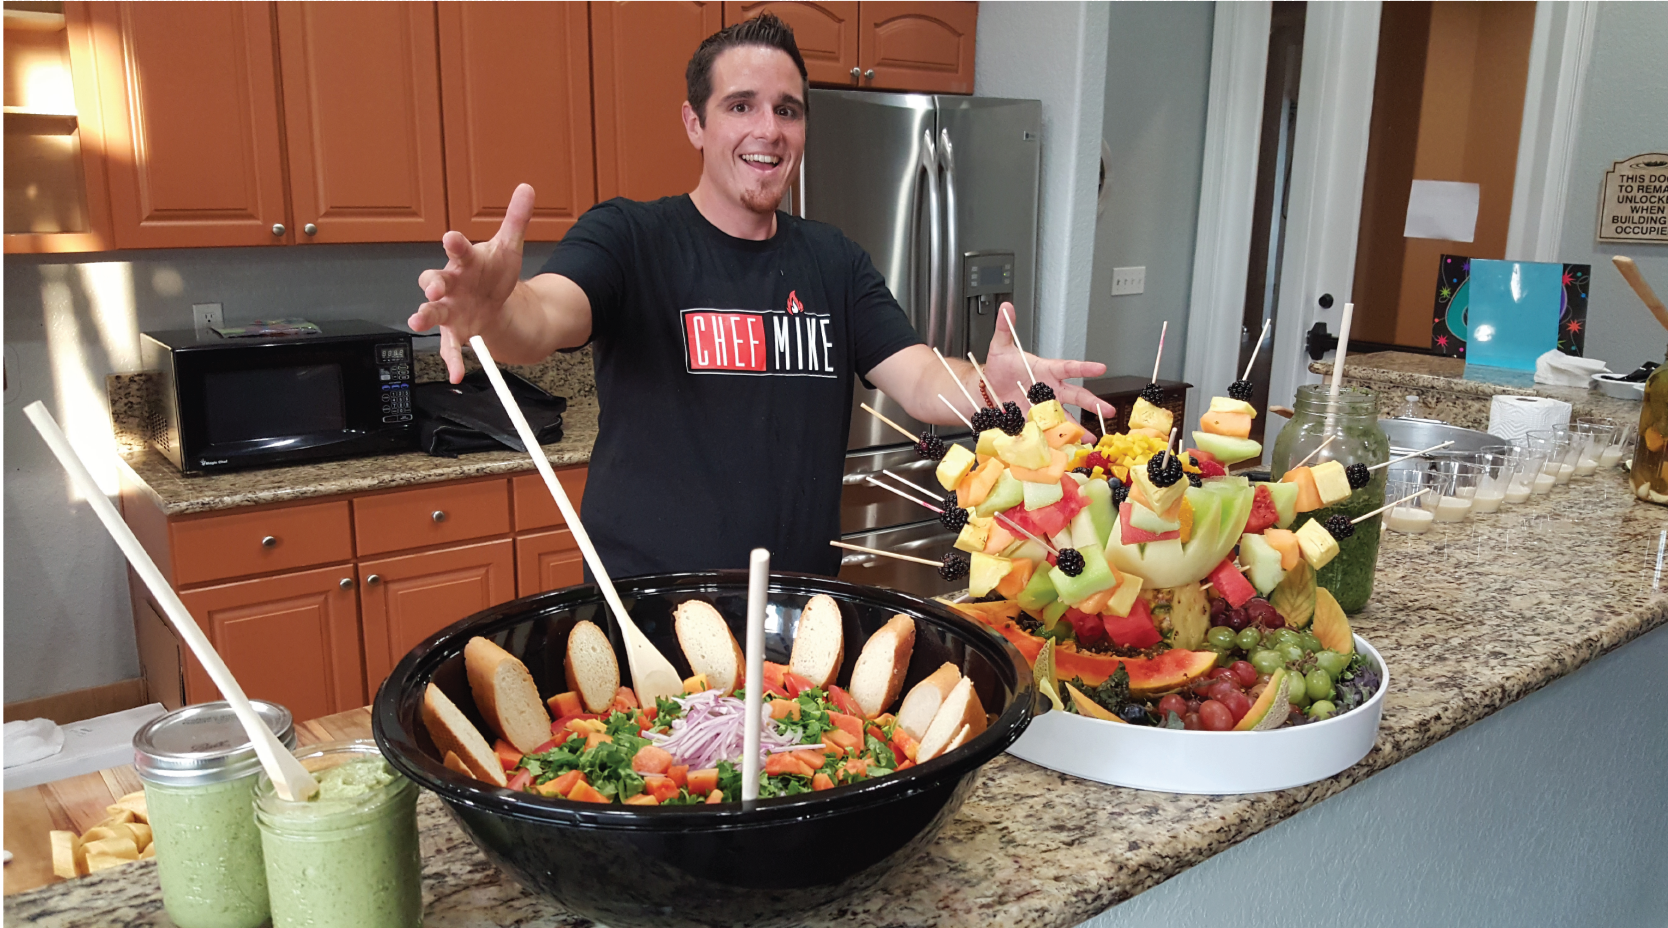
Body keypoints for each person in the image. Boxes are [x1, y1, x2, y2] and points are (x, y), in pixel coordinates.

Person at [410, 15, 1109, 577]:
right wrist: (494, 313)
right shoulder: (631, 236)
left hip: (800, 607)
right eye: (739, 106)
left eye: (787, 110)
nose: (767, 131)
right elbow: (544, 316)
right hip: (651, 606)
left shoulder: (834, 259)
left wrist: (990, 383)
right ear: (695, 124)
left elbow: (923, 378)